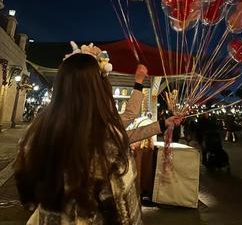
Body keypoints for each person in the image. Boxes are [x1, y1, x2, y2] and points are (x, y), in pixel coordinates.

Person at [14, 44, 180, 224]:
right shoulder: (108, 144)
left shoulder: (34, 134)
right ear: (99, 88)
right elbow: (127, 216)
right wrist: (139, 83)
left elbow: (27, 199)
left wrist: (162, 124)